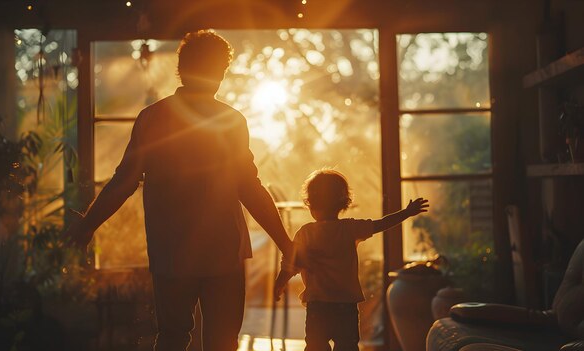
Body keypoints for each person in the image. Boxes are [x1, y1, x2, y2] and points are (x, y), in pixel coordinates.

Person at [66, 30, 293, 351]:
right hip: (223, 251)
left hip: (171, 251)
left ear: (181, 67)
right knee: (223, 342)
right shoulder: (230, 120)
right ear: (221, 73)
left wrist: (88, 225)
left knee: (172, 337)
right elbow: (249, 187)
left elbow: (124, 181)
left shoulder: (153, 118)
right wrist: (285, 243)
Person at [274, 169, 429, 350]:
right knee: (347, 346)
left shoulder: (305, 233)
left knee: (315, 346)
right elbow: (380, 224)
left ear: (309, 203)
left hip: (318, 306)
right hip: (345, 305)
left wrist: (280, 282)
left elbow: (291, 262)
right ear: (343, 203)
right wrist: (406, 213)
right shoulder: (350, 229)